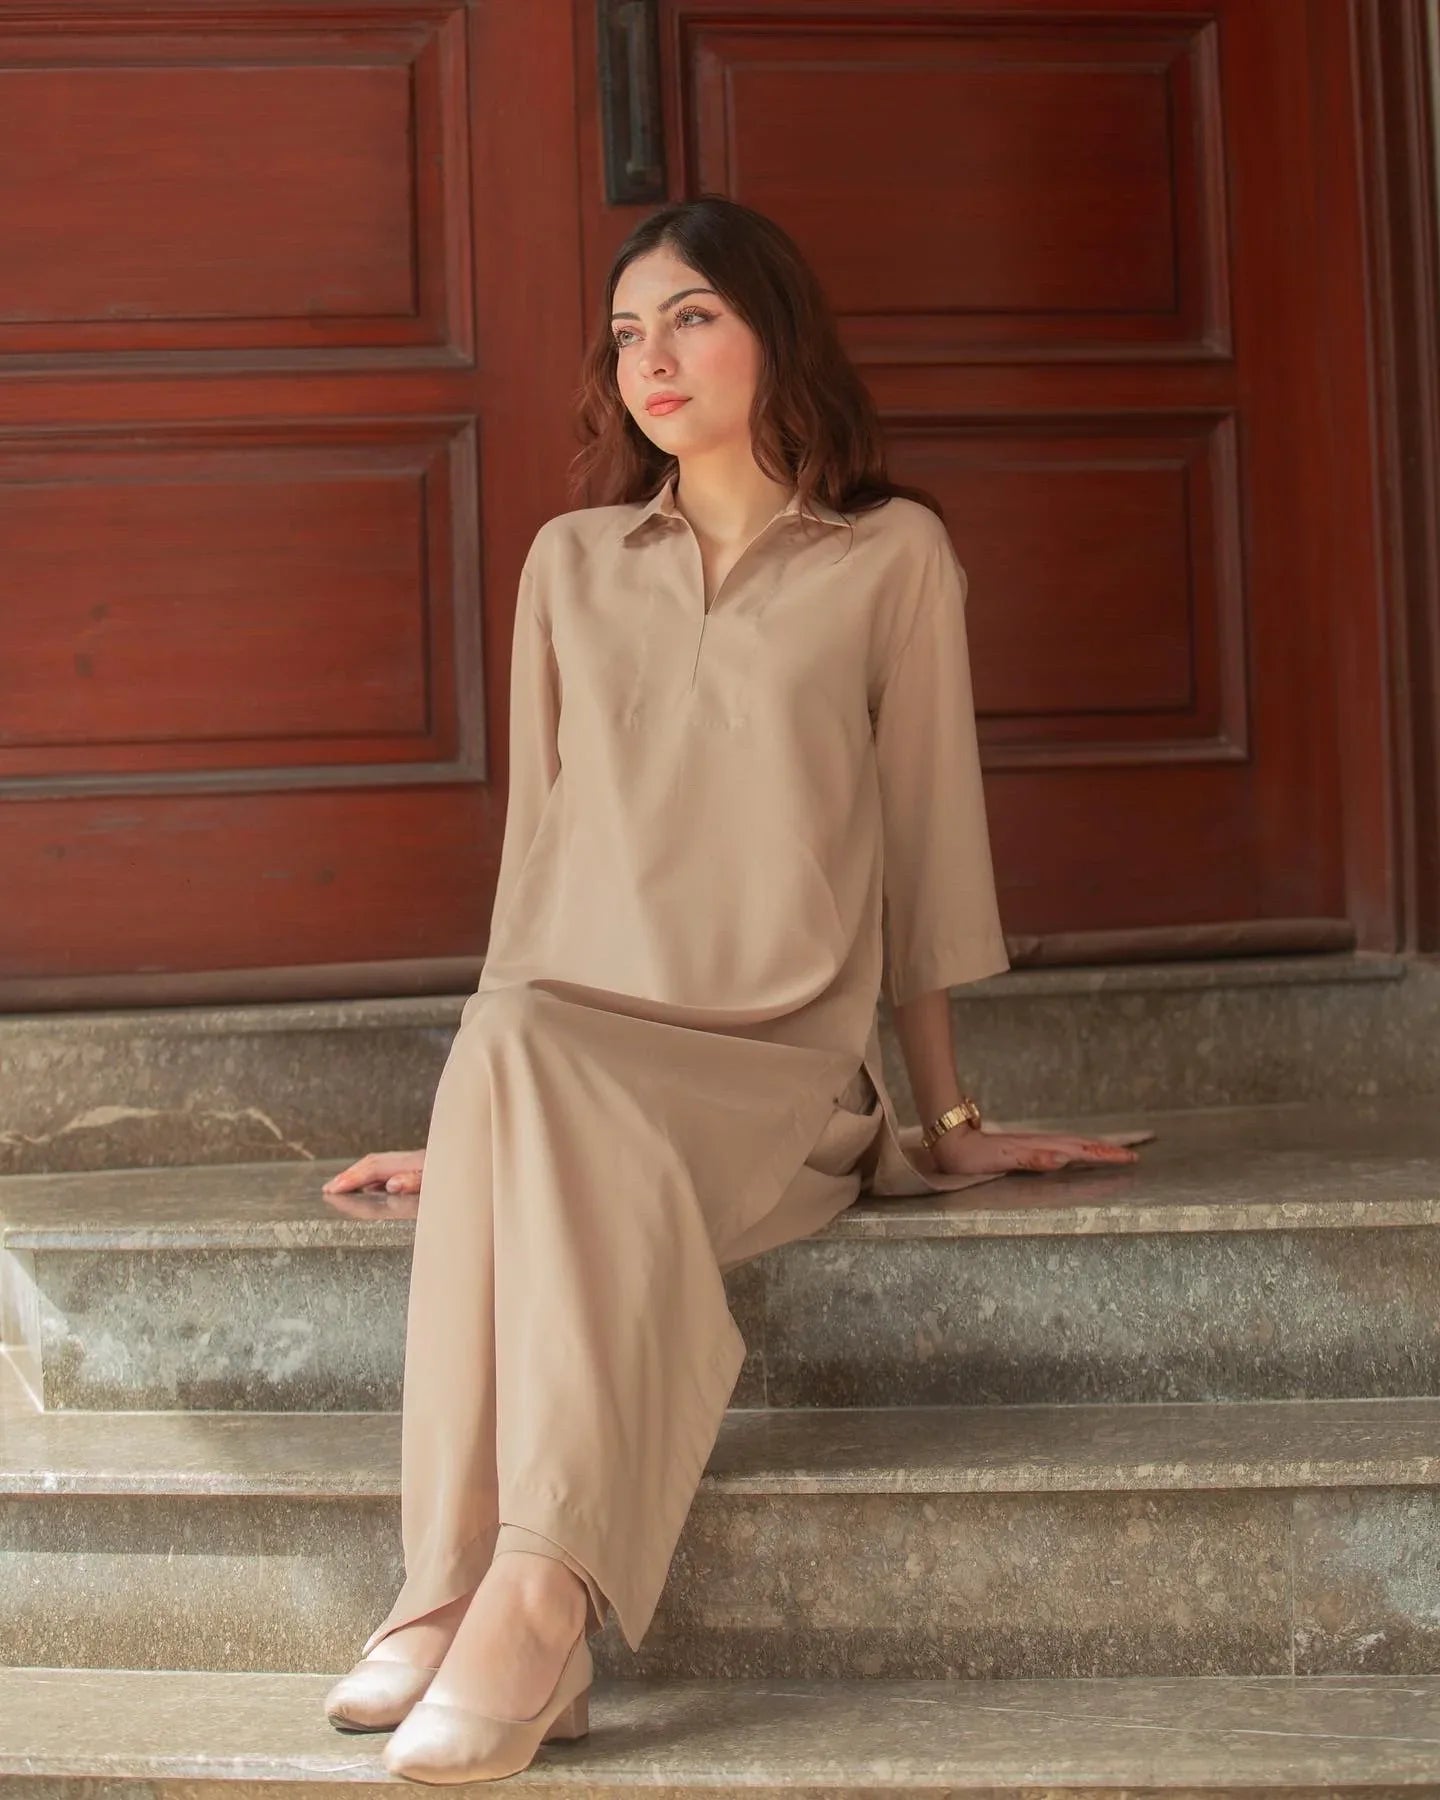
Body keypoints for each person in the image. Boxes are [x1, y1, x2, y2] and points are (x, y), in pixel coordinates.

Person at [317, 194, 1150, 1784]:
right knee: (510, 1031)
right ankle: (490, 1605)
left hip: (778, 1065)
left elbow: (927, 845)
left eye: (691, 317)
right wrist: (483, 1127)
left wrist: (945, 1116)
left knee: (528, 1056)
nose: (652, 358)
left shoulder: (893, 556)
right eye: (628, 331)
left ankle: (517, 1597)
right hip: (570, 1040)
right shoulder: (570, 564)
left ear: (777, 333)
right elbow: (537, 861)